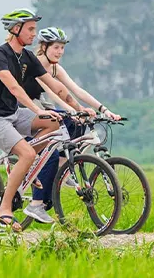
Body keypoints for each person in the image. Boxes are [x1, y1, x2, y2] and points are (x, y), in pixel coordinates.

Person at [0, 8, 87, 231]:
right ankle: (4, 209)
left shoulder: (27, 57)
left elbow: (56, 86)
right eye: (31, 29)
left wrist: (80, 109)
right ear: (16, 30)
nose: (34, 34)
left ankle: (28, 167)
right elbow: (14, 88)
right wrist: (38, 110)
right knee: (27, 152)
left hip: (13, 114)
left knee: (55, 123)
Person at [25, 26, 123, 209]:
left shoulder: (55, 69)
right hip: (29, 112)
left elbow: (77, 90)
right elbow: (55, 93)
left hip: (47, 111)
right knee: (70, 121)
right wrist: (72, 110)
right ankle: (44, 188)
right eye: (56, 47)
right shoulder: (35, 65)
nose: (60, 52)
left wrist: (104, 109)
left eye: (62, 48)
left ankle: (64, 169)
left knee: (79, 124)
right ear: (44, 46)